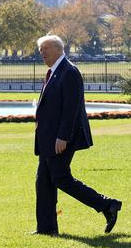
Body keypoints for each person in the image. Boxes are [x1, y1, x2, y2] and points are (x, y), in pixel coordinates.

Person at [32, 34, 122, 236]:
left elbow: (71, 109)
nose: (42, 53)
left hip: (61, 139)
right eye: (40, 49)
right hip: (48, 139)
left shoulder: (69, 72)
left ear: (58, 49)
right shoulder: (54, 72)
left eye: (45, 48)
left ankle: (108, 205)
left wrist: (62, 137)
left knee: (61, 178)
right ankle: (46, 229)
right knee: (44, 182)